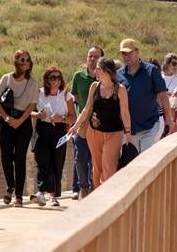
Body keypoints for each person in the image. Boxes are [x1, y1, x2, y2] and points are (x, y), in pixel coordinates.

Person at [68, 57, 132, 190]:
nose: (95, 71)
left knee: (108, 163)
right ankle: (98, 195)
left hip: (114, 133)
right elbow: (87, 108)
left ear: (106, 71)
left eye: (98, 68)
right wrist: (76, 126)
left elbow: (125, 113)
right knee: (96, 167)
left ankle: (108, 195)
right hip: (94, 132)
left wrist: (128, 133)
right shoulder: (94, 86)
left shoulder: (120, 89)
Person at [0, 50, 40, 206]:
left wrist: (19, 121)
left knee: (20, 158)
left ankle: (18, 195)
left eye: (27, 59)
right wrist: (6, 118)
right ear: (16, 62)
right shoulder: (7, 78)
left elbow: (32, 105)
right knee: (6, 156)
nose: (25, 62)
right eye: (22, 59)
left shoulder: (32, 82)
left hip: (23, 122)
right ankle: (10, 187)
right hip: (5, 120)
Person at [117, 38, 174, 153]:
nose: (126, 56)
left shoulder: (151, 70)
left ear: (137, 52)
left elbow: (163, 95)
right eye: (123, 53)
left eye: (129, 53)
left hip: (149, 127)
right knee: (131, 165)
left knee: (145, 161)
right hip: (128, 130)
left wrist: (168, 118)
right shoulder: (118, 74)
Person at [31, 66, 75, 207]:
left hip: (59, 130)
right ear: (47, 80)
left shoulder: (66, 95)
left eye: (58, 77)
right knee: (42, 160)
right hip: (42, 128)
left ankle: (53, 196)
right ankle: (41, 193)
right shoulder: (39, 93)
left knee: (57, 162)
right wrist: (38, 115)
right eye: (52, 77)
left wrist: (61, 119)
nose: (56, 80)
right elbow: (29, 112)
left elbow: (73, 117)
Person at [68, 46, 102, 200]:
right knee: (80, 158)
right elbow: (74, 98)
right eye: (90, 56)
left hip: (101, 125)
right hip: (82, 124)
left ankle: (96, 187)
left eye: (96, 56)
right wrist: (76, 119)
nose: (92, 59)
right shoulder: (78, 76)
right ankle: (83, 187)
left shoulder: (104, 78)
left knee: (96, 159)